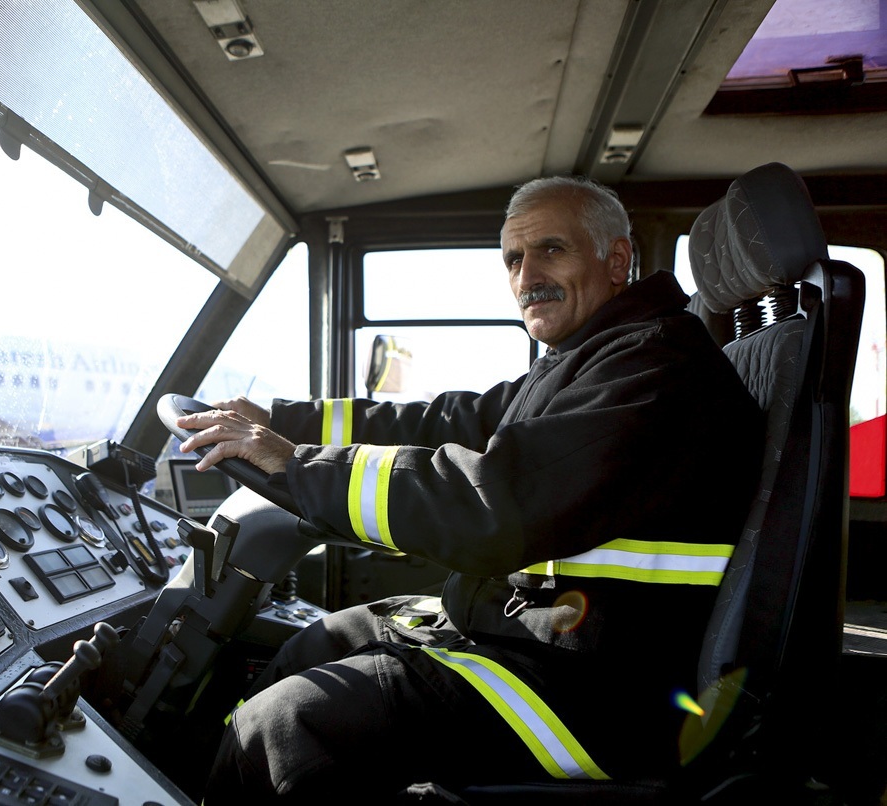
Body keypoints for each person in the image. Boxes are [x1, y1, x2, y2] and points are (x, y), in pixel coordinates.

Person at [177, 175, 764, 803]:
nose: (526, 275)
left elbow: (490, 507)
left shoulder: (654, 368)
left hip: (599, 691)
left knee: (282, 726)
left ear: (616, 259)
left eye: (551, 250)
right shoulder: (592, 355)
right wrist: (282, 422)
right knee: (315, 644)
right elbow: (444, 421)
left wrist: (296, 467)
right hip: (548, 639)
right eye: (513, 258)